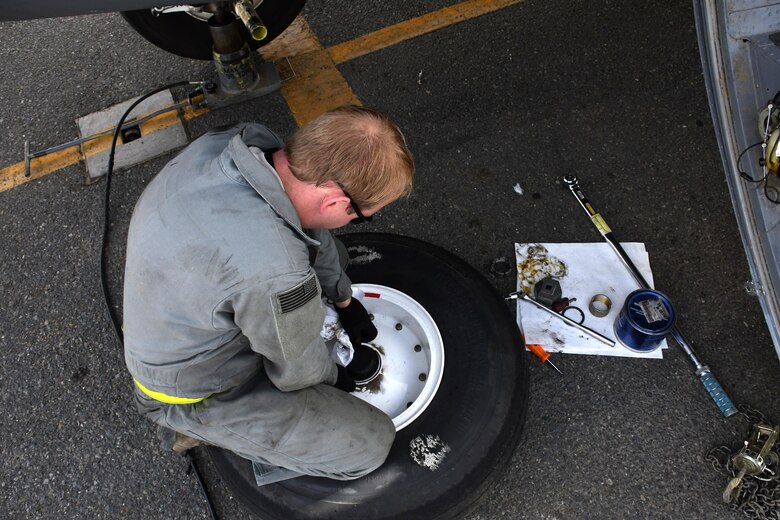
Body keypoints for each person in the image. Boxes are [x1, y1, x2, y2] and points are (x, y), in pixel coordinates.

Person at [122, 105, 415, 484]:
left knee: (334, 258)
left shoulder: (240, 142)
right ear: (333, 202)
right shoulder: (278, 273)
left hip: (175, 306)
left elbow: (310, 234)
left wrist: (344, 299)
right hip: (189, 387)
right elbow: (299, 372)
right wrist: (337, 374)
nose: (355, 223)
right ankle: (190, 426)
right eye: (361, 216)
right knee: (368, 444)